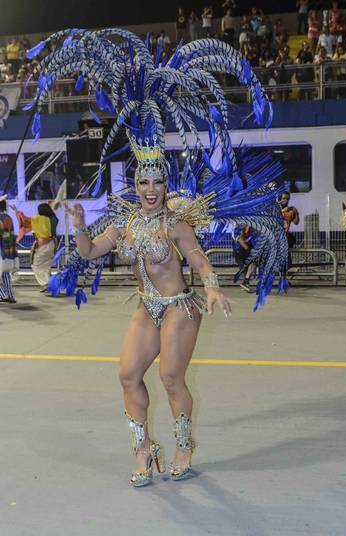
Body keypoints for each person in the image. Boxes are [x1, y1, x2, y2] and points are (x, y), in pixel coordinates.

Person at [26, 28, 288, 487]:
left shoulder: (175, 223)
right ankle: (143, 449)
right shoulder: (124, 224)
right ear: (136, 184)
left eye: (157, 184)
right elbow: (89, 252)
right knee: (128, 375)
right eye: (143, 183)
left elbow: (199, 258)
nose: (149, 191)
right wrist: (78, 222)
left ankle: (184, 444)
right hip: (147, 307)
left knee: (169, 377)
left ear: (165, 186)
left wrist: (211, 286)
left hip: (180, 307)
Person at [10, 202, 58, 292]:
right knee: (46, 266)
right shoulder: (52, 218)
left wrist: (17, 211)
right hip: (52, 244)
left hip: (43, 245)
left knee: (36, 265)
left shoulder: (39, 219)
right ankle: (51, 283)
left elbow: (24, 220)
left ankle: (46, 284)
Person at [0, 195, 18, 303]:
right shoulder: (8, 217)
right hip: (9, 251)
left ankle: (3, 294)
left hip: (1, 250)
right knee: (5, 273)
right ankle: (10, 295)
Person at [278, 192, 300, 268]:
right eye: (284, 198)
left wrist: (296, 213)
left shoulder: (290, 211)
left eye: (288, 199)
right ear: (279, 199)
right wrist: (283, 211)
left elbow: (296, 222)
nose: (286, 200)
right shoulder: (275, 208)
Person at [233, 225, 256, 292]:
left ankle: (246, 284)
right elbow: (240, 239)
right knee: (250, 264)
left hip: (242, 249)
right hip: (240, 250)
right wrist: (249, 249)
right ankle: (246, 283)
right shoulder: (242, 225)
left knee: (248, 266)